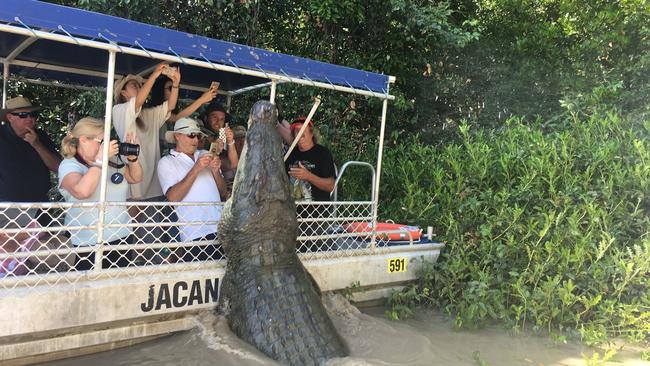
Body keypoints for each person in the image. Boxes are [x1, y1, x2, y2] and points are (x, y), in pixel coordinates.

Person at [58, 117, 142, 270]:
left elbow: (135, 178)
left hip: (122, 237)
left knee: (117, 287)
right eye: (102, 141)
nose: (106, 146)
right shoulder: (69, 165)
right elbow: (82, 191)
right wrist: (99, 161)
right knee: (90, 290)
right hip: (87, 243)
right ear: (83, 140)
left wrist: (132, 158)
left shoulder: (109, 162)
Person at [0, 96, 61, 276]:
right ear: (10, 117)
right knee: (10, 259)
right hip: (8, 210)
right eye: (23, 115)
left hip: (39, 206)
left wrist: (37, 145)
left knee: (39, 257)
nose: (30, 119)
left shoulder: (40, 136)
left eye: (33, 115)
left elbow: (57, 167)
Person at [157, 118, 227, 261]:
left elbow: (223, 192)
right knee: (200, 279)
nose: (196, 139)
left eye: (198, 135)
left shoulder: (204, 154)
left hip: (220, 228)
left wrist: (215, 171)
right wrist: (196, 169)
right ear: (177, 136)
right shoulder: (167, 162)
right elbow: (173, 198)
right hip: (195, 234)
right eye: (191, 135)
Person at [284, 117, 336, 252]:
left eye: (302, 130)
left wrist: (308, 176)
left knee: (320, 256)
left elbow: (330, 185)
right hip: (293, 218)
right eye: (296, 131)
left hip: (318, 217)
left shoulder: (322, 153)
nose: (299, 134)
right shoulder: (290, 155)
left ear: (312, 133)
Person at [148, 73, 218, 152]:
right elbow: (177, 118)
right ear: (160, 90)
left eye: (177, 88)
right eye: (171, 88)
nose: (175, 91)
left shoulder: (172, 113)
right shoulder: (152, 112)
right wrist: (201, 100)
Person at [203, 103, 239, 198]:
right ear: (206, 118)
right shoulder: (199, 135)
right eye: (214, 117)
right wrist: (215, 147)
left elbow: (233, 164)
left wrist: (231, 142)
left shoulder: (220, 137)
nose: (218, 122)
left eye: (222, 119)